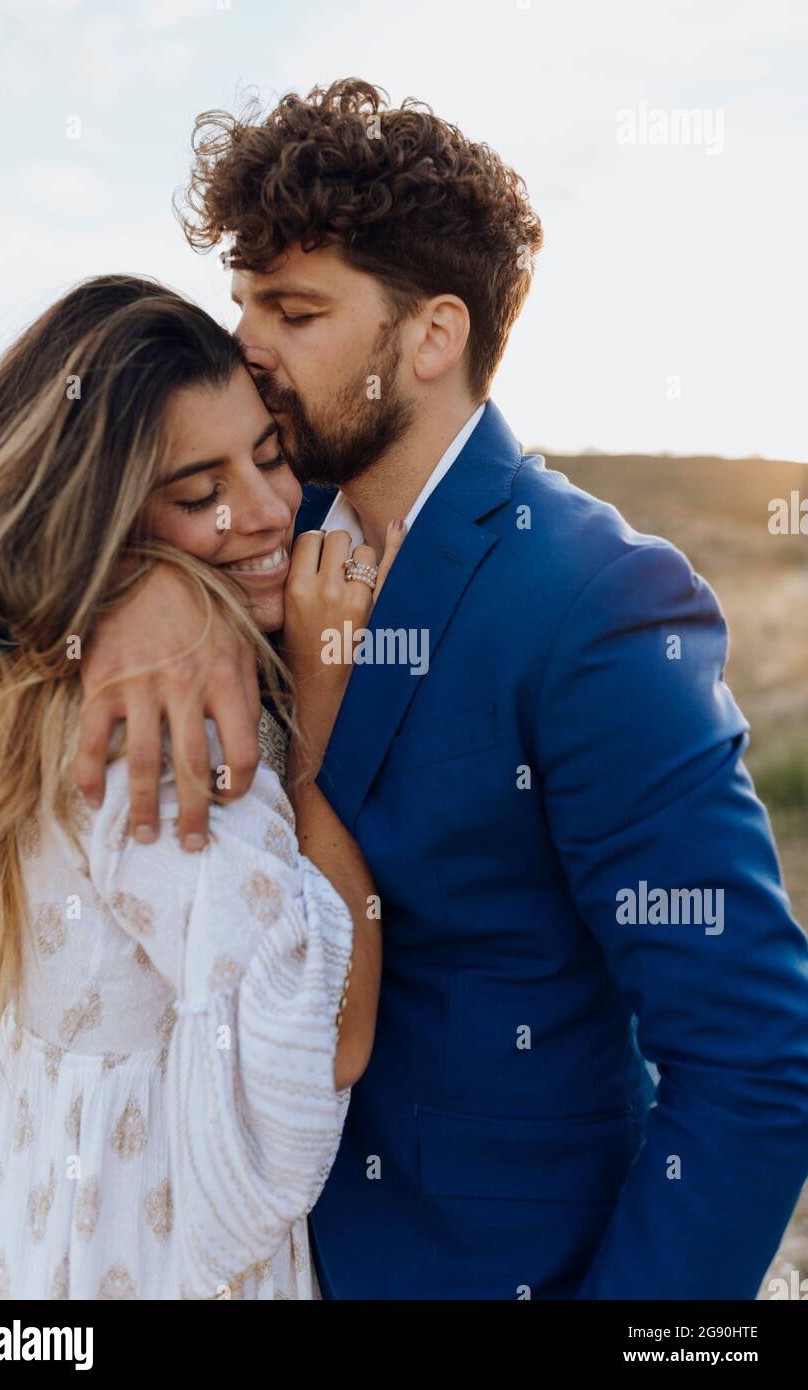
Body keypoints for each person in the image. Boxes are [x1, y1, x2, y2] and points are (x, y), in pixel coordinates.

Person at [76, 79, 808, 1300]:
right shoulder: (245, 525)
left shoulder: (595, 602)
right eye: (243, 297)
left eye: (294, 308)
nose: (245, 343)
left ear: (429, 336)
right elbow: (1, 588)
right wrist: (128, 601)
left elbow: (752, 1056)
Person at [0, 274, 398, 1299]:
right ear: (102, 518)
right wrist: (319, 715)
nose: (271, 509)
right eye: (199, 496)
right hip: (131, 1255)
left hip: (21, 1221)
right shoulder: (157, 726)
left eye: (271, 456)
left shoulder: (47, 671)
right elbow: (328, 1031)